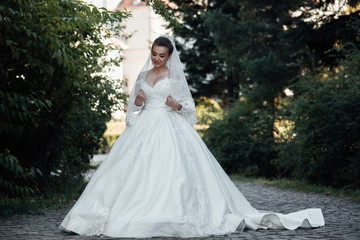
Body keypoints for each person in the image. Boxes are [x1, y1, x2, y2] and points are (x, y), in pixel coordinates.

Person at [59, 35, 325, 238]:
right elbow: (133, 111)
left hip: (169, 126)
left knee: (173, 172)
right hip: (144, 126)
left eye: (162, 55)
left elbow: (188, 108)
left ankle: (167, 214)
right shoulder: (143, 74)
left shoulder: (174, 75)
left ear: (170, 56)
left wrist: (175, 105)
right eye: (154, 54)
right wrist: (139, 101)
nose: (156, 59)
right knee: (125, 171)